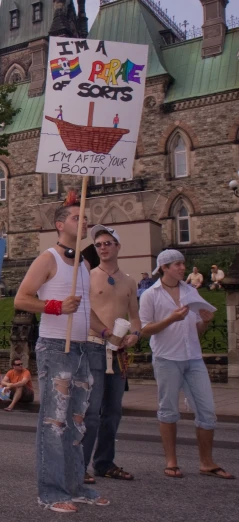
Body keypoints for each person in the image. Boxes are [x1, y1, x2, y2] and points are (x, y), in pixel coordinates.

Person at [14, 194, 111, 513]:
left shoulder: (83, 263)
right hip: (56, 348)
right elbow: (21, 299)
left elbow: (85, 309)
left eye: (84, 218)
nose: (83, 221)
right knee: (54, 422)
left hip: (82, 349)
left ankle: (75, 485)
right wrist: (54, 306)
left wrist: (107, 332)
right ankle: (51, 491)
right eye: (76, 218)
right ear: (59, 225)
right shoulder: (48, 259)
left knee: (77, 422)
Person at [140, 249, 234, 480]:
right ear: (164, 268)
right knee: (168, 410)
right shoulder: (151, 294)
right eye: (176, 264)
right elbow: (144, 330)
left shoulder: (191, 291)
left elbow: (196, 331)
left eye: (183, 263)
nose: (182, 268)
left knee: (207, 411)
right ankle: (171, 461)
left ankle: (207, 462)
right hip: (166, 358)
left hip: (193, 357)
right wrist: (170, 319)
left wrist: (204, 322)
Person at [82, 225, 139, 484]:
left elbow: (135, 318)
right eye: (99, 244)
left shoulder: (129, 281)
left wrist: (134, 335)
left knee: (113, 411)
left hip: (118, 352)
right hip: (94, 345)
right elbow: (83, 312)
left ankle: (104, 462)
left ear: (117, 246)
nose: (103, 247)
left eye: (107, 243)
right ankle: (79, 464)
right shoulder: (88, 276)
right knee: (91, 411)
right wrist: (106, 333)